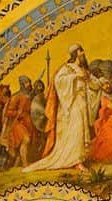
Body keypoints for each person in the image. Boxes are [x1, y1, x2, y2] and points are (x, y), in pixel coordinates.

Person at [24, 44, 103, 173]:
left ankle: (80, 159)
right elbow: (58, 81)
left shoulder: (83, 69)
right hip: (71, 104)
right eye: (81, 51)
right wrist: (75, 77)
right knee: (75, 131)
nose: (83, 54)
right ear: (76, 53)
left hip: (81, 103)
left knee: (81, 131)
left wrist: (101, 83)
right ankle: (76, 161)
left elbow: (92, 83)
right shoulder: (67, 68)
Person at [0, 76, 36, 168]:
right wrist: (17, 112)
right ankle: (25, 164)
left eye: (29, 82)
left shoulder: (30, 96)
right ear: (22, 84)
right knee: (26, 140)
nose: (29, 85)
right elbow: (8, 112)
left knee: (26, 143)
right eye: (27, 83)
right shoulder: (16, 96)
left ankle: (19, 164)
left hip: (28, 123)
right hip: (18, 123)